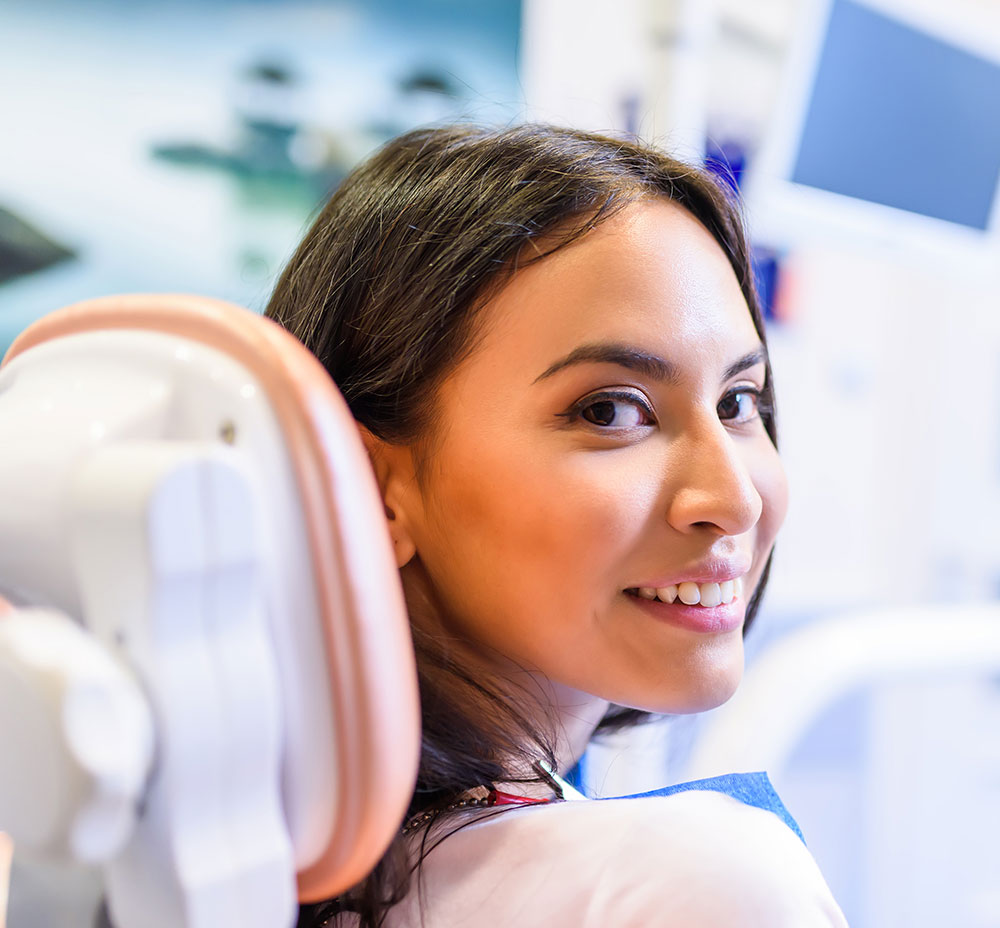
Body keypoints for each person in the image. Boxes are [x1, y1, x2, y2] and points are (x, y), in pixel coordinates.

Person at [266, 123, 848, 927]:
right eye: (612, 411)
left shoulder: (246, 857)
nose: (735, 499)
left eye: (738, 403)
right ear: (369, 484)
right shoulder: (690, 887)